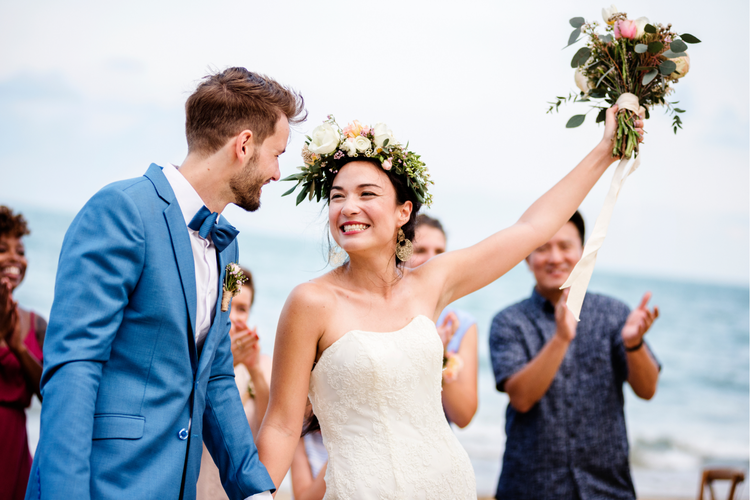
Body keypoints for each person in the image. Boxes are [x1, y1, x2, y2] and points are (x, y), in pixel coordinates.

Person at [255, 108, 644, 498]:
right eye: (337, 197)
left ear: (402, 212)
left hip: (447, 484)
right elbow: (283, 425)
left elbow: (531, 228)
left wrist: (606, 150)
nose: (348, 207)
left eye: (367, 194)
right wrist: (259, 494)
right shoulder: (311, 302)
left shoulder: (431, 283)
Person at [26, 68, 305, 500]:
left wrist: (254, 491)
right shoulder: (122, 211)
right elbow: (74, 367)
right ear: (244, 144)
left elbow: (213, 377)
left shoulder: (224, 246)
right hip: (105, 484)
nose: (277, 172)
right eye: (276, 154)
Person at [489, 210, 660, 499]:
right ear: (526, 258)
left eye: (565, 246)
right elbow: (521, 398)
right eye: (542, 248)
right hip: (530, 487)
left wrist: (633, 344)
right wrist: (561, 338)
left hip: (608, 487)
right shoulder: (508, 321)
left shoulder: (614, 313)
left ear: (583, 251)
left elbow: (647, 389)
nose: (555, 257)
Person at [197, 267, 273, 499]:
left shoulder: (265, 366)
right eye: (229, 304)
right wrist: (220, 364)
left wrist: (254, 370)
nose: (234, 315)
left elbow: (273, 425)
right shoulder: (196, 363)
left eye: (242, 309)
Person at [407, 214, 478, 428]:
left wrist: (439, 357)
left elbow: (463, 417)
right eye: (420, 250)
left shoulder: (461, 324)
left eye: (440, 252)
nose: (433, 260)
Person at [0, 206, 47, 500]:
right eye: (3, 249)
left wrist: (16, 346)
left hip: (13, 449)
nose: (15, 258)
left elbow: (52, 394)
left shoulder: (37, 324)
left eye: (20, 249)